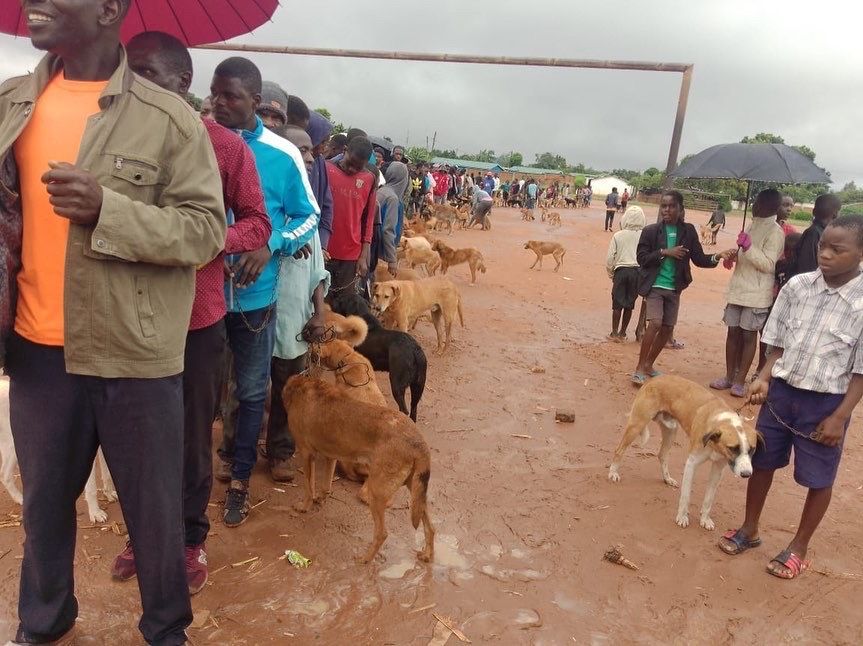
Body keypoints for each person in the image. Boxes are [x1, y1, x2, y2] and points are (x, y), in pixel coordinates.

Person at [0, 4, 227, 643]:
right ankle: (43, 624)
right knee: (44, 509)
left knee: (154, 514)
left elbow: (206, 231)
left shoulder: (169, 119)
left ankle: (165, 629)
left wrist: (109, 209)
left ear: (107, 10)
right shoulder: (11, 104)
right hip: (37, 351)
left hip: (134, 350)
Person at [120, 30, 271, 597]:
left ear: (182, 85)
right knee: (134, 433)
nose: (134, 85)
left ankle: (187, 540)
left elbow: (258, 224)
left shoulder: (224, 146)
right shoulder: (112, 138)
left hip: (195, 317)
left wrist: (208, 240)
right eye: (128, 72)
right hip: (126, 313)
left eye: (148, 74)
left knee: (189, 435)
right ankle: (142, 534)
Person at [718, 215, 863, 580]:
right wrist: (763, 379)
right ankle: (749, 529)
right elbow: (777, 344)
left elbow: (861, 371)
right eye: (822, 246)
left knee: (819, 477)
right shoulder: (798, 287)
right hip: (781, 396)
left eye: (837, 249)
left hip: (826, 404)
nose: (825, 254)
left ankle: (799, 546)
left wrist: (840, 416)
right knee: (762, 461)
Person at [210, 57, 319, 523]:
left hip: (256, 297)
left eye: (230, 96)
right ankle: (202, 473)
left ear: (256, 102)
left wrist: (270, 243)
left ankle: (240, 481)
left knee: (253, 388)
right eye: (214, 94)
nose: (218, 103)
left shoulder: (282, 154)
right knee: (204, 390)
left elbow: (309, 215)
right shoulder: (198, 142)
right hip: (202, 293)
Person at [265, 126, 330, 481]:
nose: (309, 158)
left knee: (290, 391)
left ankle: (280, 453)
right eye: (301, 151)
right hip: (254, 315)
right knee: (247, 390)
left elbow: (317, 270)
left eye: (310, 151)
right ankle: (234, 453)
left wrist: (319, 313)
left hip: (293, 320)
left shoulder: (309, 212)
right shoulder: (265, 200)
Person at [632, 191, 735, 384]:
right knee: (654, 323)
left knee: (667, 328)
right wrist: (665, 252)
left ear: (681, 209)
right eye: (664, 206)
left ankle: (649, 364)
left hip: (674, 288)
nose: (667, 210)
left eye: (671, 206)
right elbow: (642, 258)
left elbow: (698, 258)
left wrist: (717, 257)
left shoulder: (688, 231)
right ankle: (639, 367)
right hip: (655, 285)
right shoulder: (651, 231)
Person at [710, 189, 785, 398]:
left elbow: (769, 265)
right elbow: (749, 257)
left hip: (757, 293)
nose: (754, 204)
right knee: (732, 332)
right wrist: (734, 256)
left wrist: (749, 248)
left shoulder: (775, 231)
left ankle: (741, 381)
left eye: (758, 201)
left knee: (748, 335)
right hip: (738, 289)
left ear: (768, 205)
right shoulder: (752, 224)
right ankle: (728, 376)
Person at [326, 136, 377, 293]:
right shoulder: (326, 169)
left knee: (343, 303)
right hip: (323, 249)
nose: (352, 170)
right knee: (318, 303)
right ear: (345, 150)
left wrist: (363, 256)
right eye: (350, 163)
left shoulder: (369, 179)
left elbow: (368, 220)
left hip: (350, 255)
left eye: (358, 167)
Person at [606, 206, 646, 341]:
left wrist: (611, 273)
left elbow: (610, 257)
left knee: (617, 303)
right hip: (637, 272)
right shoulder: (644, 235)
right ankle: (623, 333)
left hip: (621, 271)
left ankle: (614, 332)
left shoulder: (618, 235)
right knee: (629, 304)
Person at [791, 194, 842, 277]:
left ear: (813, 211)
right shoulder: (813, 233)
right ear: (835, 214)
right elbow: (807, 267)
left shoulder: (820, 232)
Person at [306, 110, 335, 250]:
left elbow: (327, 204)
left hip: (313, 239)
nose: (325, 148)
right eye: (322, 142)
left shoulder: (320, 163)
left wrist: (322, 242)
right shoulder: (293, 159)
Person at [377, 161, 410, 278]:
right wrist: (392, 259)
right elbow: (388, 230)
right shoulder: (392, 199)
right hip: (378, 249)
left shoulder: (381, 191)